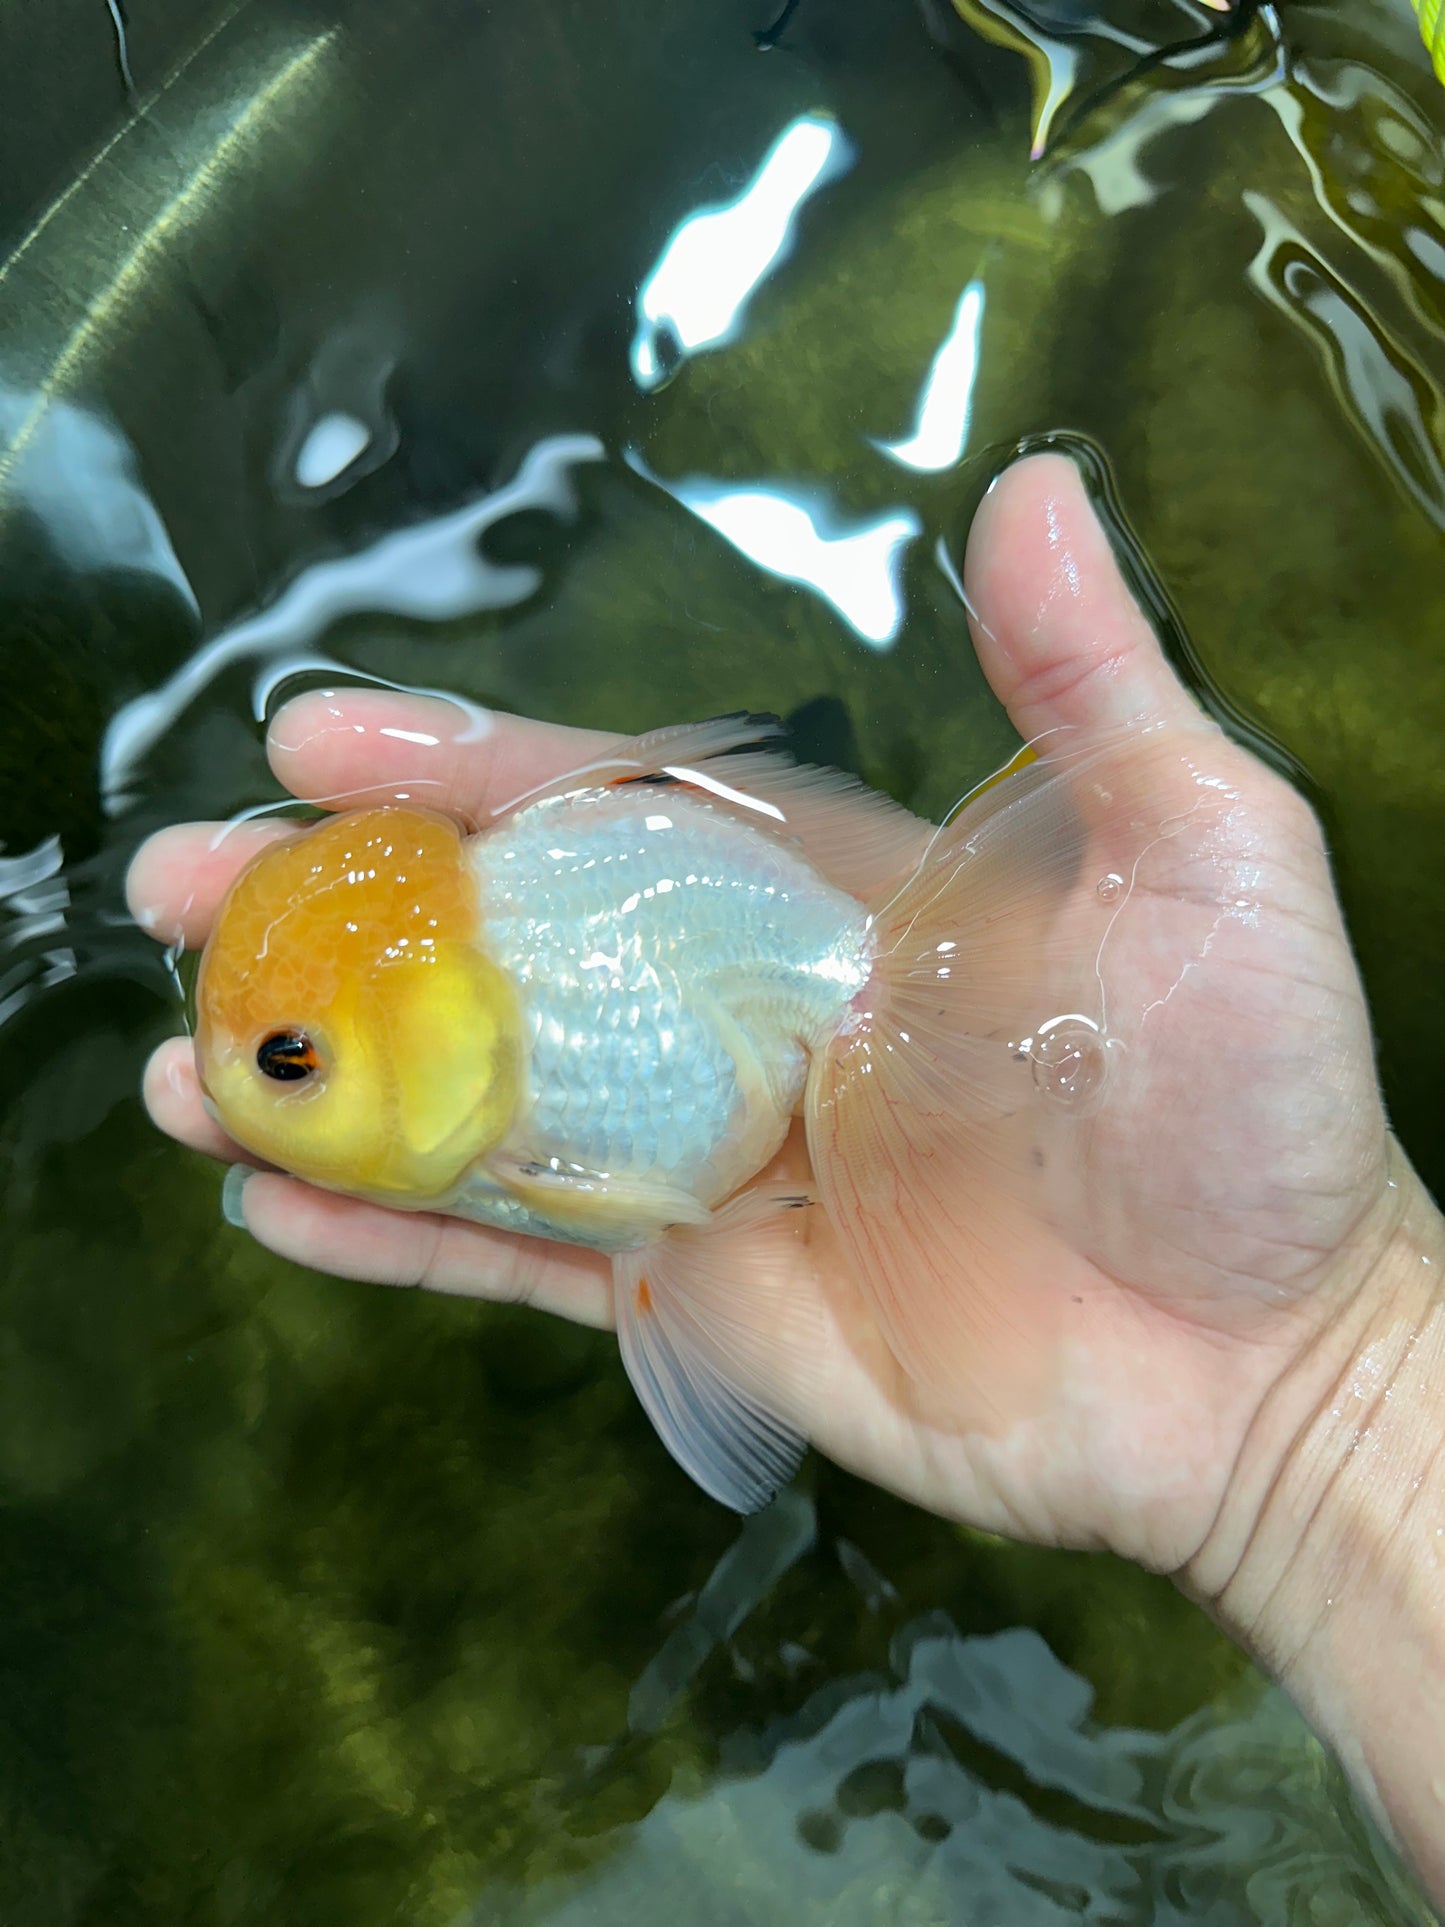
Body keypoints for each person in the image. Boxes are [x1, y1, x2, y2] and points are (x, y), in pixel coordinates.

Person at [127, 453, 1445, 1899]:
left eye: (294, 1063)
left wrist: (1329, 1396)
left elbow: (656, 1221)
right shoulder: (491, 1009)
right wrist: (1329, 1413)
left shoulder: (532, 1088)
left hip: (786, 973)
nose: (263, 1092)